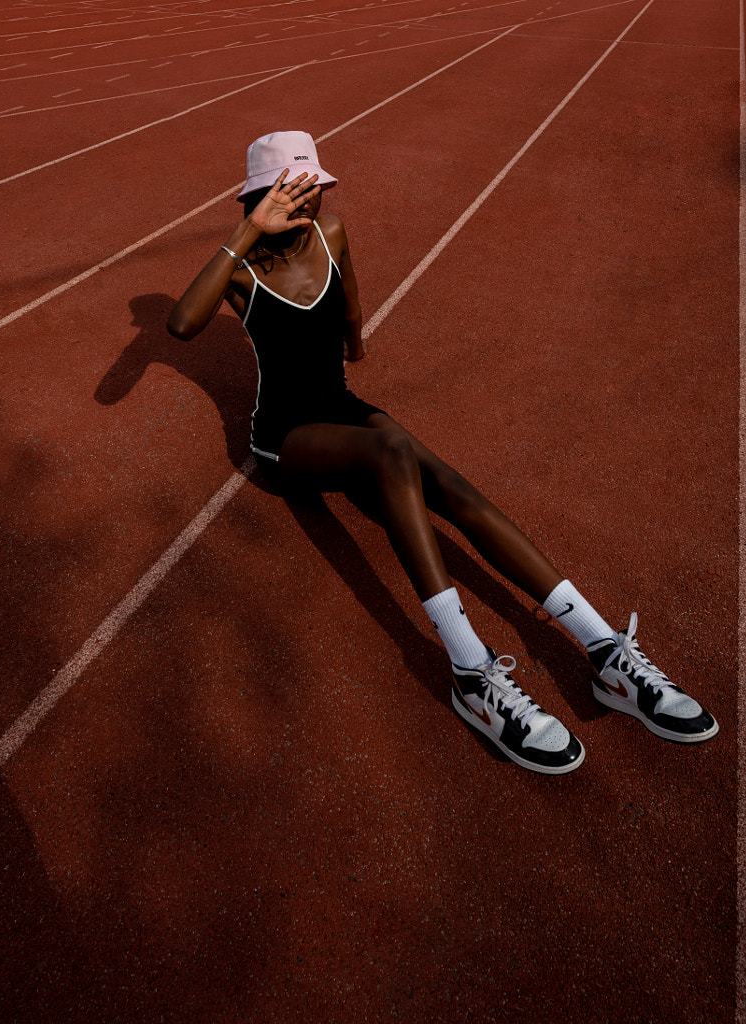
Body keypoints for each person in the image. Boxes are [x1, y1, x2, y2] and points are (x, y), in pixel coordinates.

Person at [167, 130, 718, 774]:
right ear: (264, 193)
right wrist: (248, 231)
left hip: (342, 410)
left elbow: (350, 307)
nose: (313, 197)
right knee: (392, 452)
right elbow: (182, 325)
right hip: (286, 439)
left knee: (450, 485)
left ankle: (605, 652)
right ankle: (471, 672)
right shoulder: (239, 266)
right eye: (297, 187)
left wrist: (354, 344)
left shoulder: (332, 233)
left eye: (317, 184)